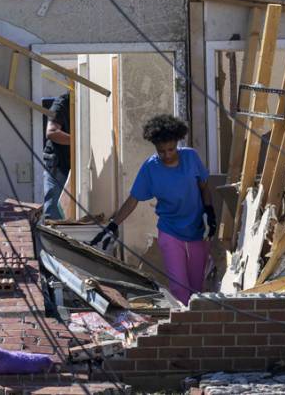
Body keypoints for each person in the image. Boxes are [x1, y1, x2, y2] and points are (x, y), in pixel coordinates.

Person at [91, 114, 216, 304]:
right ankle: (182, 326)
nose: (167, 154)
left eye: (171, 149)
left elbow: (204, 186)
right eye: (161, 151)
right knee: (179, 288)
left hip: (198, 230)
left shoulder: (191, 157)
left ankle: (196, 327)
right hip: (170, 231)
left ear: (177, 143)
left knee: (197, 287)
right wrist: (113, 224)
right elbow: (133, 199)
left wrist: (209, 211)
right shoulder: (150, 168)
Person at [42, 92, 71, 221]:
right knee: (53, 217)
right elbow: (52, 132)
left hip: (71, 167)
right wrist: (78, 140)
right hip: (57, 167)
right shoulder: (62, 103)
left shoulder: (87, 102)